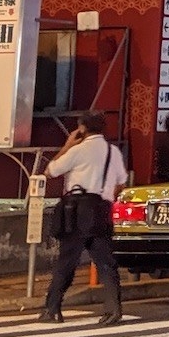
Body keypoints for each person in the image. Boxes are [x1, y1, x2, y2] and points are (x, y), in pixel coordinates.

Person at [41, 113, 129, 325]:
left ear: (81, 128)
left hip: (77, 211)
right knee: (106, 263)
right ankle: (113, 310)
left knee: (67, 262)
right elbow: (121, 183)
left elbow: (50, 171)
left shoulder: (78, 151)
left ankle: (52, 310)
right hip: (101, 209)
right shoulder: (112, 151)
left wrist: (67, 145)